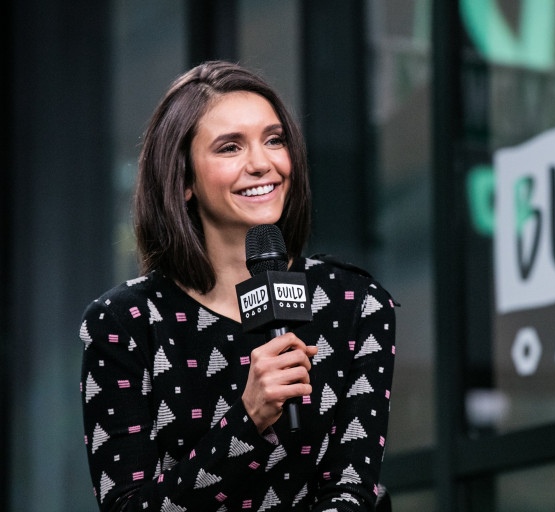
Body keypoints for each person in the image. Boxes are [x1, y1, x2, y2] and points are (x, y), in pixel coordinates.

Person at [79, 60, 396, 512]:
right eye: (230, 147)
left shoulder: (357, 304)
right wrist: (247, 422)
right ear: (184, 178)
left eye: (274, 140)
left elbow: (350, 489)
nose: (262, 163)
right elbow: (127, 506)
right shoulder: (125, 322)